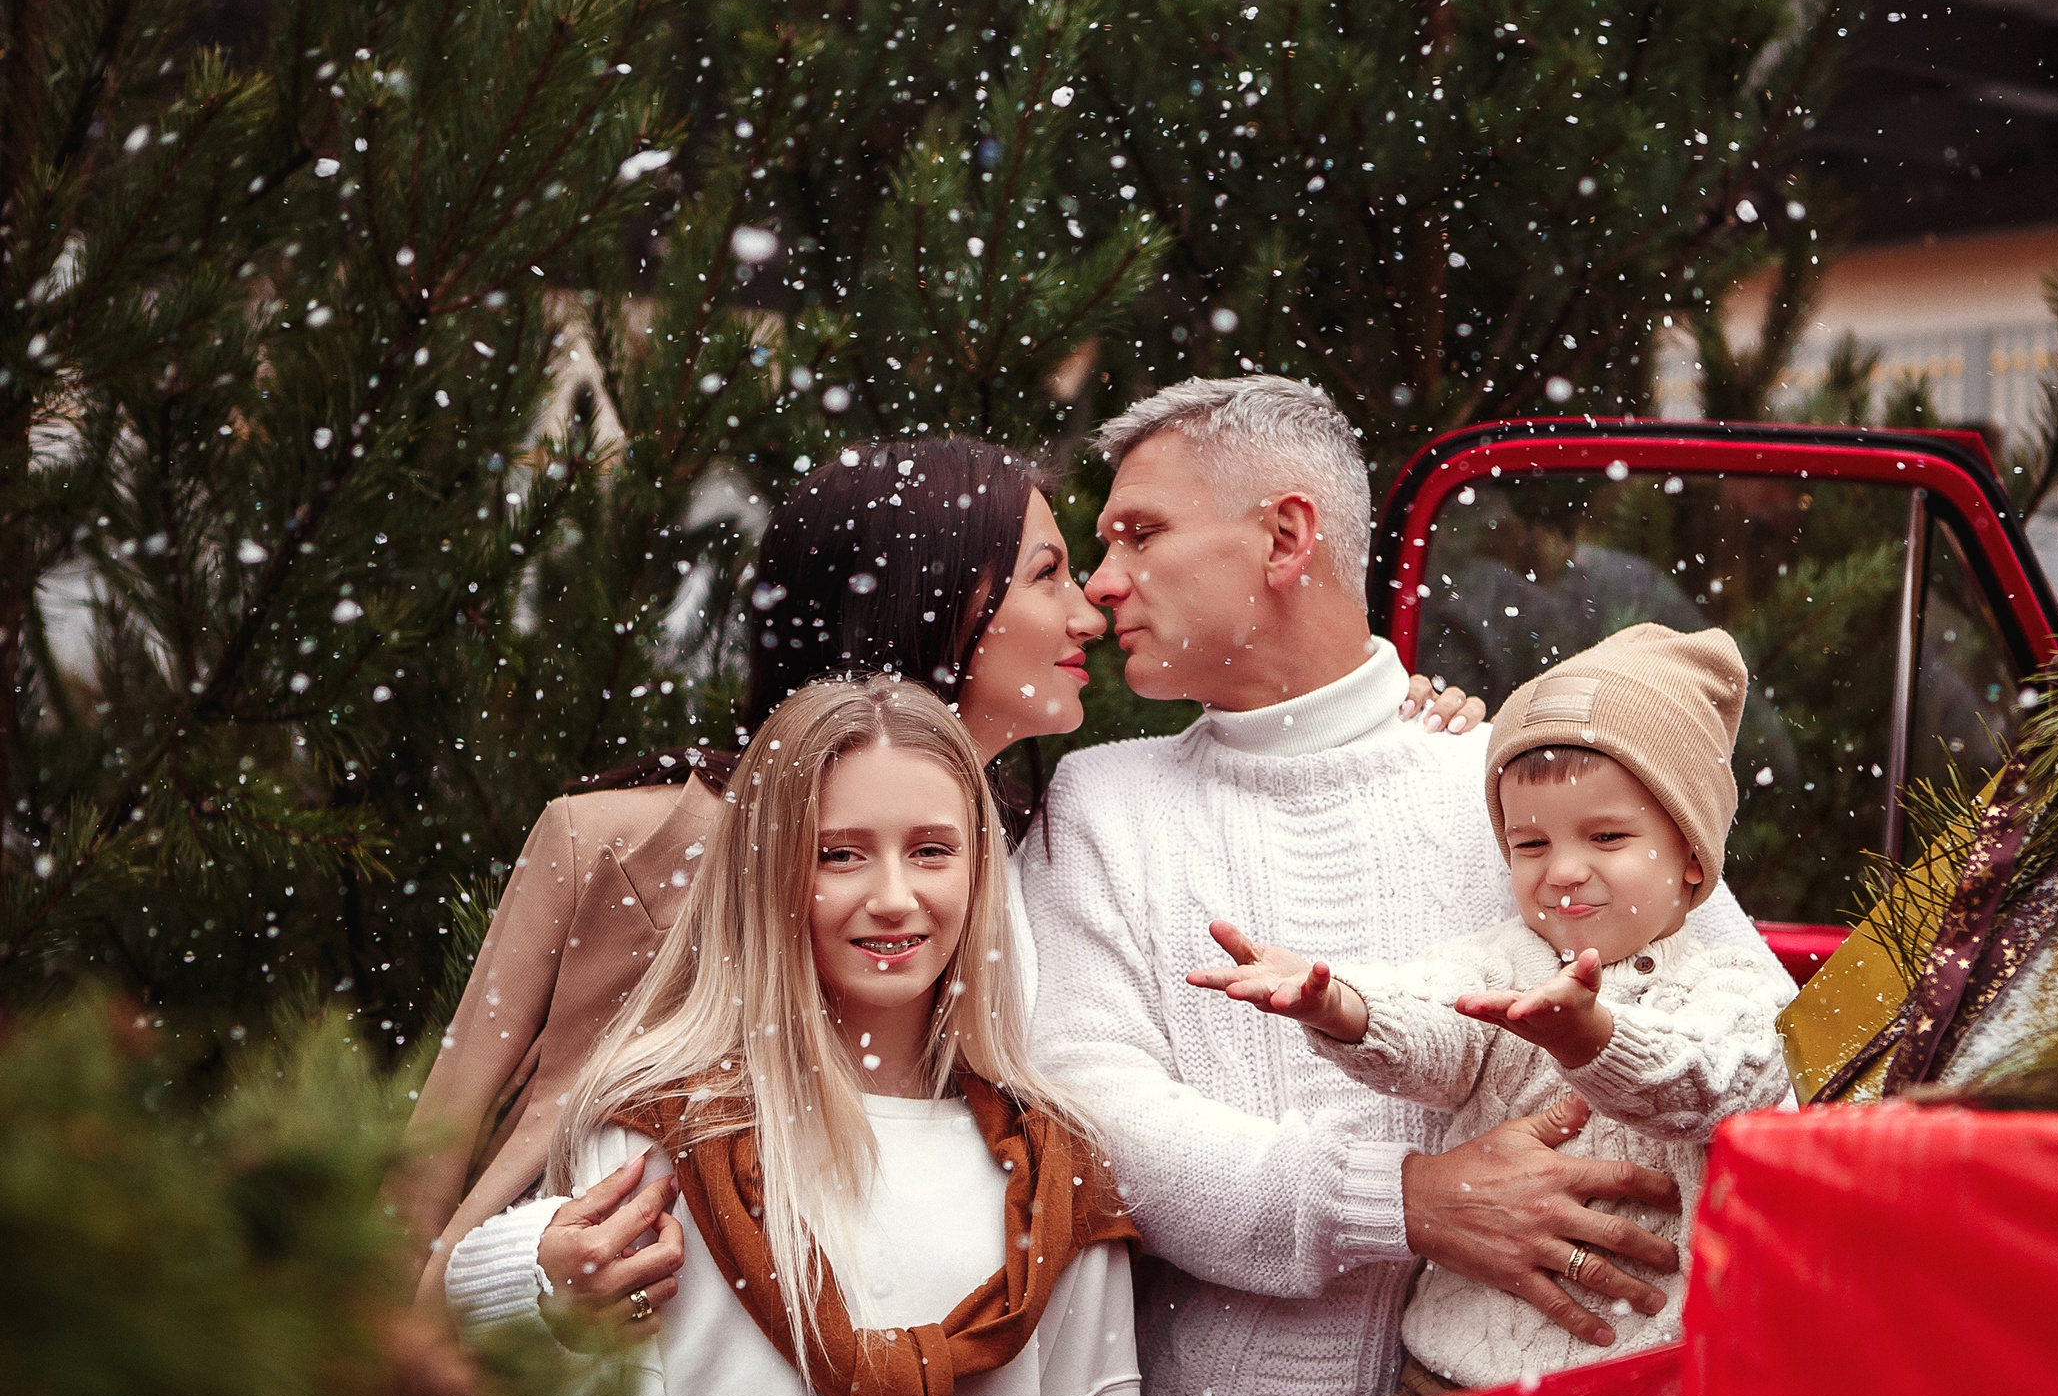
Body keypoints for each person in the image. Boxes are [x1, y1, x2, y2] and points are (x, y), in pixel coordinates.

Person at [393, 434, 1492, 1303]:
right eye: (1049, 573)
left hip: (954, 1385)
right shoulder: (645, 843)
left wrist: (1397, 724)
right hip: (640, 1367)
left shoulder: (1048, 840)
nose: (1088, 607)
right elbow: (448, 1160)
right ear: (933, 594)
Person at [1019, 376, 1693, 1396]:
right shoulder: (1100, 801)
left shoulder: (1517, 789)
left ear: (1286, 537)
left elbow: (1704, 1020)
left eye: (1139, 535)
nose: (1100, 587)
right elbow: (1095, 1115)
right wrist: (1403, 1201)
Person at [468, 676, 1139, 1396]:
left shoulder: (1055, 1183)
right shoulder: (666, 1138)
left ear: (981, 873)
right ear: (769, 869)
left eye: (934, 851)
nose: (894, 897)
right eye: (840, 854)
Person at [1189, 624, 1799, 1394]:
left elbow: (1715, 1083)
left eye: (1606, 835)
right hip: (1445, 1378)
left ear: (1691, 857)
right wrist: (1346, 1008)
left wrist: (1595, 1038)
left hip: (1643, 1391)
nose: (1564, 869)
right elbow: (1435, 1023)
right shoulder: (1505, 959)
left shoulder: (1735, 985)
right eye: (1530, 843)